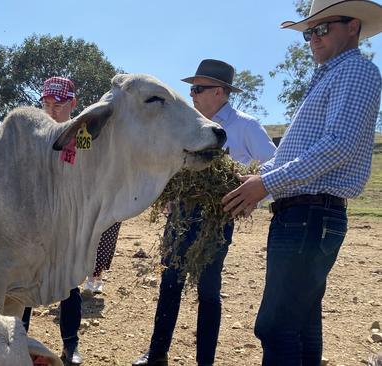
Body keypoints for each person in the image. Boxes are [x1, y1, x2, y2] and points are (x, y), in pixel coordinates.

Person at [222, 1, 382, 364]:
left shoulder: (356, 71)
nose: (313, 39)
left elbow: (338, 144)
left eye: (322, 29)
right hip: (306, 215)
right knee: (301, 324)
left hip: (309, 215)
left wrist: (265, 184)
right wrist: (258, 179)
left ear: (353, 26)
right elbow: (299, 150)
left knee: (276, 327)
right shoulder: (330, 74)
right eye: (309, 32)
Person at [132, 59, 276, 366]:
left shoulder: (245, 126)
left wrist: (251, 199)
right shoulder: (188, 124)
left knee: (209, 290)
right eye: (192, 89)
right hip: (180, 216)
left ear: (220, 93)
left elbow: (274, 166)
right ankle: (157, 355)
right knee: (170, 282)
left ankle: (205, 361)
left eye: (200, 89)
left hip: (216, 220)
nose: (193, 94)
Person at [20, 76, 123, 365]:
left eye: (59, 104)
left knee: (69, 287)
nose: (52, 110)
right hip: (37, 222)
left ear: (73, 104)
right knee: (25, 284)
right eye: (47, 103)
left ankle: (70, 347)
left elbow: (90, 176)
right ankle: (19, 341)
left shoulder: (84, 136)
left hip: (69, 223)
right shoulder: (35, 134)